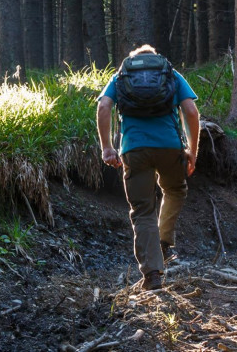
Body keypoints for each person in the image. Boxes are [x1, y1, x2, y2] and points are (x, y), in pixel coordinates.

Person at [96, 44, 200, 292]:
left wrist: (107, 147)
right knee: (175, 190)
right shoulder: (170, 74)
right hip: (170, 147)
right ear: (156, 59)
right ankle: (164, 241)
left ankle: (153, 274)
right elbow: (191, 112)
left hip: (134, 149)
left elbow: (103, 107)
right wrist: (193, 151)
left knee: (143, 211)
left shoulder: (121, 76)